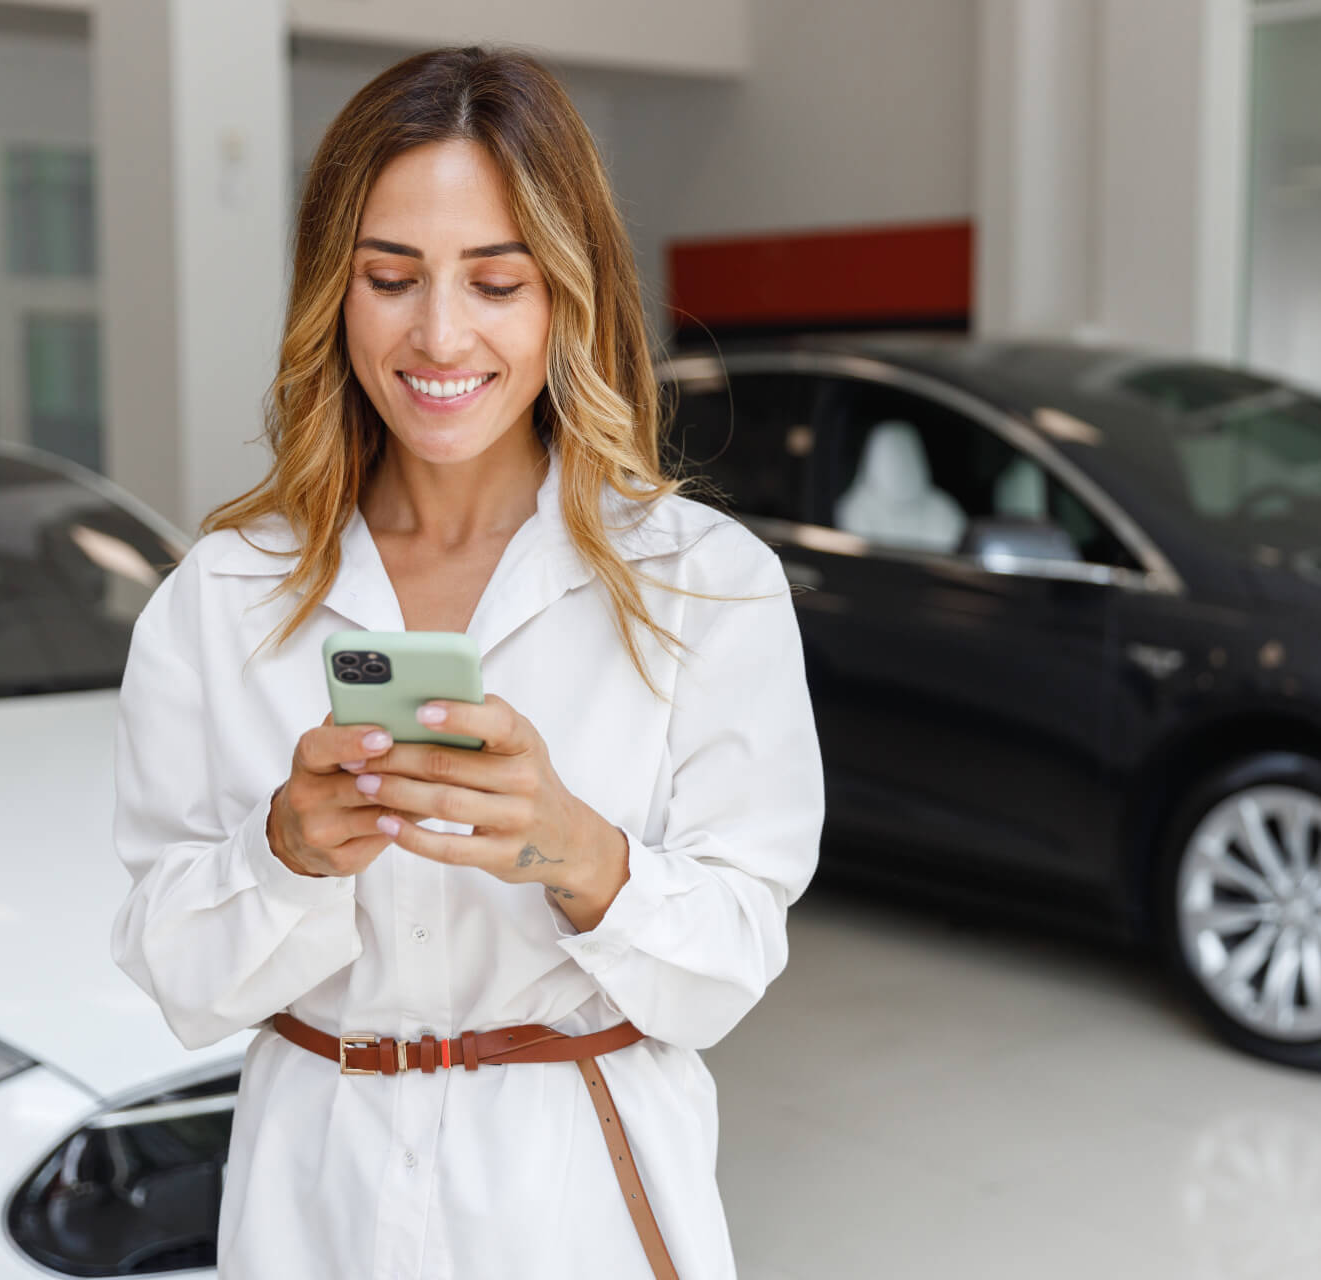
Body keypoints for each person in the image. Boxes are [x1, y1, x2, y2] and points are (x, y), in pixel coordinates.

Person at [109, 45, 825, 1280]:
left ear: (569, 292)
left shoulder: (703, 584)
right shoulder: (220, 597)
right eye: (392, 277)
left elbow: (725, 973)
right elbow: (174, 969)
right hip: (310, 1202)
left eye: (497, 281)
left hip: (575, 1203)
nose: (440, 334)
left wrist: (571, 846)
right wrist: (284, 853)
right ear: (335, 291)